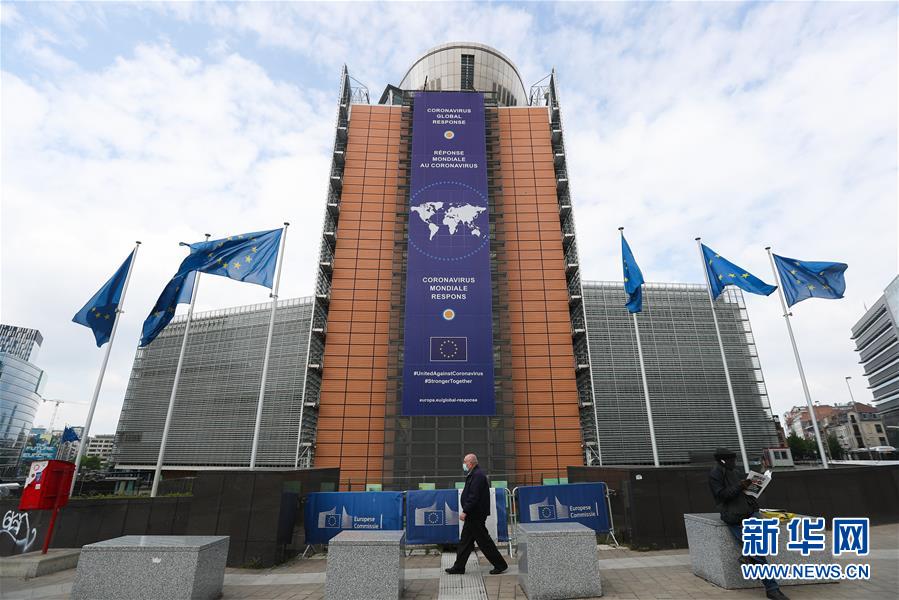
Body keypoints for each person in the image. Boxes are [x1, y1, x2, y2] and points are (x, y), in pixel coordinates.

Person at [709, 448, 789, 600]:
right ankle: (772, 588)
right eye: (732, 460)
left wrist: (754, 488)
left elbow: (743, 492)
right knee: (757, 551)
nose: (735, 462)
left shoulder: (734, 471)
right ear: (723, 461)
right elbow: (721, 495)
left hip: (749, 511)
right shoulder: (715, 474)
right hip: (734, 516)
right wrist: (740, 486)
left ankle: (746, 556)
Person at [444, 453, 509, 575]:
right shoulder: (474, 474)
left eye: (465, 462)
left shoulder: (477, 476)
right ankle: (459, 567)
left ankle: (500, 565)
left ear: (471, 463)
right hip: (473, 515)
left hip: (475, 515)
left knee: (484, 541)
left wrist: (465, 511)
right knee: (465, 542)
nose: (464, 464)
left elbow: (474, 496)